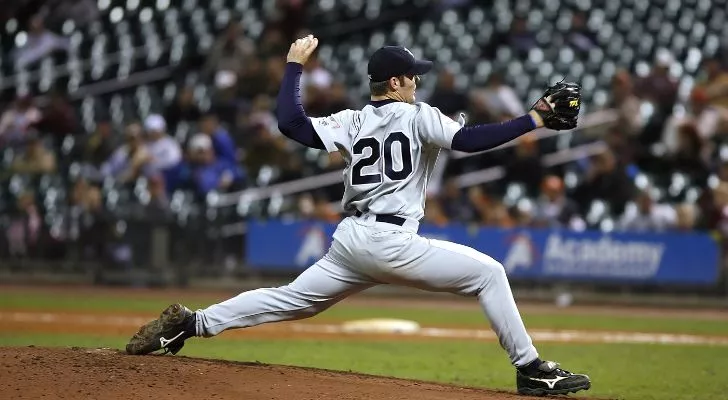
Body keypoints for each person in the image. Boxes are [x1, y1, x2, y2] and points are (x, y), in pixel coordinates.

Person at [125, 35, 589, 396]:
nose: (416, 82)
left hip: (351, 241)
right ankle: (531, 370)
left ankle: (193, 323)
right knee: (489, 273)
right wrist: (535, 120)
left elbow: (289, 123)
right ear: (394, 83)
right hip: (393, 241)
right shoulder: (418, 115)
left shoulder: (351, 121)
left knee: (290, 299)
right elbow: (468, 142)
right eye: (411, 77)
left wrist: (293, 66)